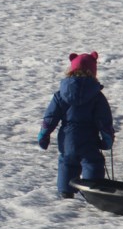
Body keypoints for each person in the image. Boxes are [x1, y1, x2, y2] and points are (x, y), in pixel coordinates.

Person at [38, 51, 115, 198]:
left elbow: (50, 117)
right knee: (93, 162)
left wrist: (43, 135)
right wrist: (107, 140)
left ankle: (65, 192)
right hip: (89, 140)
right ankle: (93, 193)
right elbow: (104, 121)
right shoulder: (97, 97)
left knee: (67, 163)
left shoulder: (60, 95)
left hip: (67, 139)